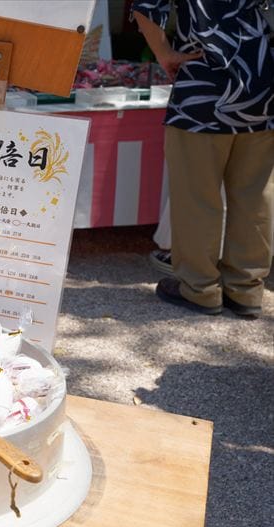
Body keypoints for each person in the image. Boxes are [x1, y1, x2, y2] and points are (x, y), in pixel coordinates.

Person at [132, 0, 274, 320]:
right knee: (256, 191)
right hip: (262, 81)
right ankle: (246, 288)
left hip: (204, 82)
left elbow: (146, 7)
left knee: (197, 193)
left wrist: (164, 52)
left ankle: (200, 288)